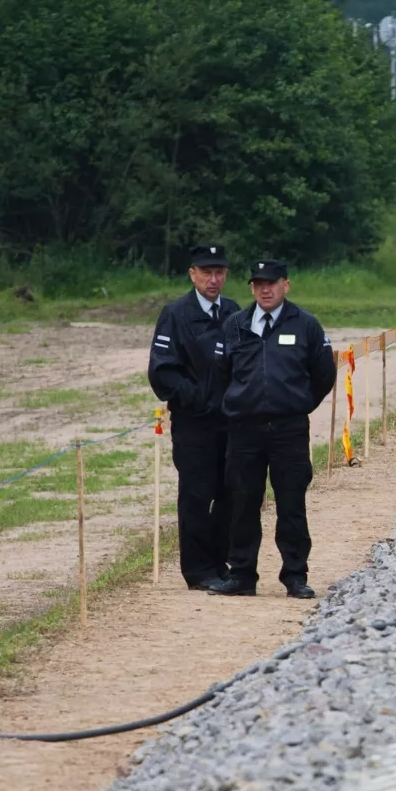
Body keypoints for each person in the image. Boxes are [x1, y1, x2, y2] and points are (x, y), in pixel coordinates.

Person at [210, 260, 335, 598]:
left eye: (272, 283)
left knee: (291, 502)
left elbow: (324, 373)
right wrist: (236, 406)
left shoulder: (306, 325)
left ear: (285, 285)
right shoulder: (235, 325)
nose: (265, 290)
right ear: (251, 288)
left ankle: (295, 576)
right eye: (258, 284)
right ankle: (242, 575)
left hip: (288, 429)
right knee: (243, 501)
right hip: (245, 430)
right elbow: (221, 375)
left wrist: (298, 403)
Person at [148, 244, 241, 592]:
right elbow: (162, 371)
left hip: (229, 422)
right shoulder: (175, 314)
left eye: (219, 273)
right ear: (193, 274)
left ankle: (220, 562)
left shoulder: (233, 313)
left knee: (230, 491)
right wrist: (197, 397)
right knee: (197, 495)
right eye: (207, 273)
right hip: (194, 423)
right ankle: (198, 570)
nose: (214, 280)